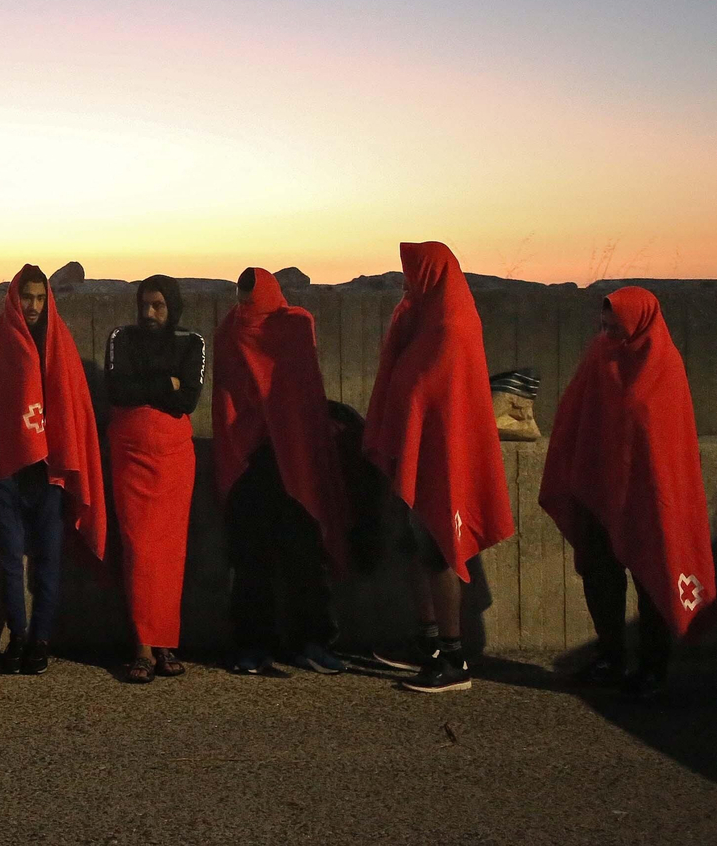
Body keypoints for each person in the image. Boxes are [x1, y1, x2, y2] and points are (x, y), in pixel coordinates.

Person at [540, 288, 715, 699]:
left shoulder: (663, 363)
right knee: (600, 570)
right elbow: (575, 415)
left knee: (651, 574)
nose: (608, 334)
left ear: (639, 322)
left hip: (647, 493)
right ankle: (609, 655)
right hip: (599, 487)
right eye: (603, 327)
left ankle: (653, 666)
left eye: (615, 328)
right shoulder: (599, 356)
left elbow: (664, 438)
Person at [364, 242, 514, 693]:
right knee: (414, 546)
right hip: (423, 450)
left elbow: (426, 389)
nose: (406, 282)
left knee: (439, 550)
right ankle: (427, 644)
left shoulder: (452, 323)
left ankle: (453, 659)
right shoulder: (427, 317)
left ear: (431, 274)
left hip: (442, 456)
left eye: (412, 274)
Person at [0, 264, 106, 675]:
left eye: (41, 298)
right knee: (8, 554)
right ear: (14, 297)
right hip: (7, 465)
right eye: (28, 298)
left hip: (48, 466)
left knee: (47, 556)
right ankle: (17, 636)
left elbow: (74, 403)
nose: (34, 306)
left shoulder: (60, 342)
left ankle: (40, 640)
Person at [214, 267, 352, 677]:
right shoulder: (233, 331)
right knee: (251, 559)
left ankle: (308, 641)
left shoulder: (293, 327)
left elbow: (302, 390)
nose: (243, 305)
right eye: (240, 296)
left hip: (291, 456)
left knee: (304, 555)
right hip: (251, 459)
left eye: (249, 297)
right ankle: (254, 645)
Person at [104, 274, 203, 682]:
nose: (149, 313)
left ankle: (164, 643)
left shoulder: (192, 341)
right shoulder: (119, 337)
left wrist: (146, 387)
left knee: (170, 551)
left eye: (158, 306)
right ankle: (142, 647)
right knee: (140, 548)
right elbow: (116, 390)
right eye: (144, 305)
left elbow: (190, 400)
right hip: (130, 455)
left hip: (175, 459)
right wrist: (165, 383)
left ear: (172, 306)